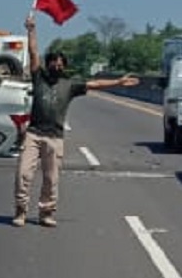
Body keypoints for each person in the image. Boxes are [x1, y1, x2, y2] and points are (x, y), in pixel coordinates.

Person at [12, 15, 140, 227]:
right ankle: (20, 210)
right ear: (48, 63)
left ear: (64, 66)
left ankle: (46, 213)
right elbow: (33, 53)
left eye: (60, 63)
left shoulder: (70, 84)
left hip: (55, 137)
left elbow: (94, 84)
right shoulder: (39, 77)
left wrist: (118, 82)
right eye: (54, 62)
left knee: (51, 179)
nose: (57, 66)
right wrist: (31, 30)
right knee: (23, 174)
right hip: (34, 134)